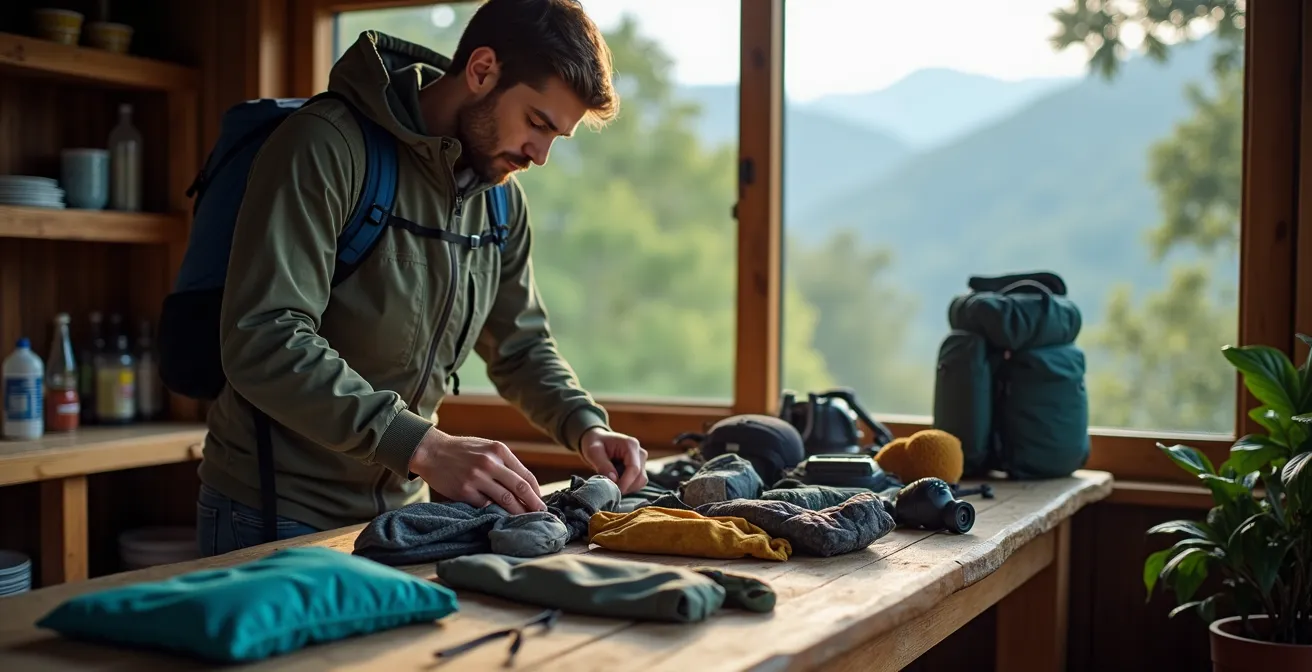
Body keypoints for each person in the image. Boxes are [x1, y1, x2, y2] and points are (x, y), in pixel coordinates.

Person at [194, 0, 649, 557]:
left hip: (405, 518)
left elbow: (521, 347)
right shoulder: (325, 145)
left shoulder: (500, 203)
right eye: (537, 122)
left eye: (557, 137)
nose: (540, 155)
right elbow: (264, 335)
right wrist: (425, 446)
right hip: (273, 512)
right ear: (482, 71)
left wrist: (586, 427)